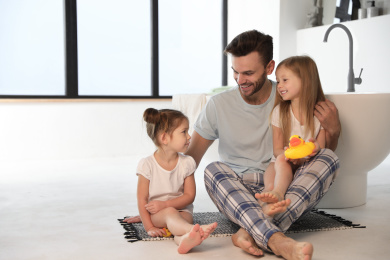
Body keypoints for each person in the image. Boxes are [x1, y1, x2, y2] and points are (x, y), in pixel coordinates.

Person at [186, 30, 340, 260]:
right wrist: (163, 202)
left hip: (286, 187)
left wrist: (334, 129)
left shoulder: (289, 96)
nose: (240, 80)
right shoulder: (218, 105)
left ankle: (250, 231)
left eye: (248, 73)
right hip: (238, 189)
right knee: (213, 170)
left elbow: (318, 153)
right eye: (235, 72)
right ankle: (278, 240)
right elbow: (189, 161)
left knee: (329, 158)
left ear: (270, 68)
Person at [124, 108, 217, 254]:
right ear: (164, 138)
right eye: (184, 132)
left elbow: (189, 196)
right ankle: (193, 229)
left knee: (179, 221)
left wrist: (167, 204)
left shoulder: (187, 163)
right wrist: (149, 226)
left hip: (182, 211)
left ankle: (185, 239)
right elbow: (142, 198)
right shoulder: (147, 165)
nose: (189, 136)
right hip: (158, 215)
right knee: (169, 213)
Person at [257, 56, 327, 216]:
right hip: (281, 162)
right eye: (278, 80)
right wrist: (288, 156)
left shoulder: (318, 115)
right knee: (273, 177)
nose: (279, 85)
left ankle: (277, 198)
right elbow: (276, 149)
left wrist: (313, 149)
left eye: (284, 80)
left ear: (305, 81)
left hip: (306, 166)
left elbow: (322, 149)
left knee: (323, 159)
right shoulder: (279, 112)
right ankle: (273, 197)